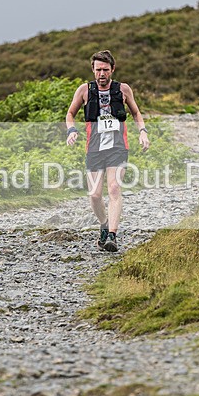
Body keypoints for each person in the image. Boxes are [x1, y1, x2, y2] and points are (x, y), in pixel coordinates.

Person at [66, 50, 150, 252]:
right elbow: (70, 113)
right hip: (94, 148)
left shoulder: (123, 89)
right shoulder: (85, 90)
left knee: (113, 188)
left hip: (117, 147)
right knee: (94, 194)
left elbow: (136, 112)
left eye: (105, 69)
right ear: (93, 70)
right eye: (98, 70)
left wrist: (143, 132)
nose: (101, 74)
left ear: (112, 69)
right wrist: (71, 130)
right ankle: (104, 224)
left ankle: (112, 235)